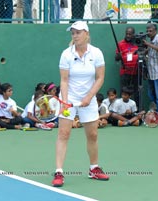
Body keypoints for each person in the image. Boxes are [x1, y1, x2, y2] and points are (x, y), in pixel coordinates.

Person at [52, 21, 109, 187]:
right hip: (69, 99)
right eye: (73, 33)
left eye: (78, 32)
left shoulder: (96, 53)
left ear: (86, 34)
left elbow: (100, 78)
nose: (75, 35)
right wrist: (64, 101)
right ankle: (59, 172)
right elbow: (64, 80)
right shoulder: (66, 54)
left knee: (93, 135)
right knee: (64, 134)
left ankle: (94, 168)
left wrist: (89, 97)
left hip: (89, 100)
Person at [143, 23, 158, 122]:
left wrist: (148, 45)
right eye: (147, 31)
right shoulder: (151, 41)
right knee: (151, 94)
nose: (148, 32)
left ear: (155, 31)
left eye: (150, 31)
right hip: (152, 74)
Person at [115, 26, 139, 108]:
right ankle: (122, 110)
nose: (128, 36)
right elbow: (116, 59)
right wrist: (119, 56)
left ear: (133, 34)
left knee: (137, 92)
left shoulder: (137, 43)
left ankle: (136, 110)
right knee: (124, 92)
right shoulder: (120, 44)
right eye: (127, 34)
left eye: (130, 34)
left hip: (136, 72)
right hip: (125, 72)